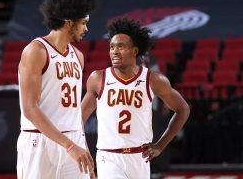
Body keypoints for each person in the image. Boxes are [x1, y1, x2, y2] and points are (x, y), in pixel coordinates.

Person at [81, 18, 190, 179]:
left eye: (121, 46)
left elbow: (183, 109)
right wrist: (82, 151)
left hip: (140, 157)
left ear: (134, 51)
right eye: (111, 47)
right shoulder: (98, 78)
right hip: (109, 157)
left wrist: (160, 145)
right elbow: (78, 119)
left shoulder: (153, 80)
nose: (114, 51)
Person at [17, 0, 97, 179]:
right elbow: (29, 108)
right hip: (41, 140)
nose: (86, 28)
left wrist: (82, 150)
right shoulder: (36, 51)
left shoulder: (77, 56)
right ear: (69, 21)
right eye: (84, 22)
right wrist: (69, 145)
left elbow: (74, 113)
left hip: (73, 139)